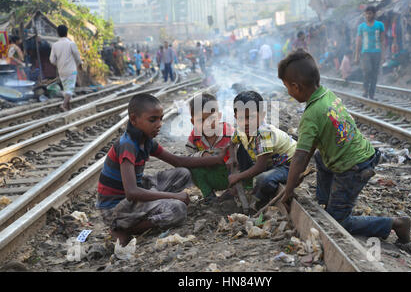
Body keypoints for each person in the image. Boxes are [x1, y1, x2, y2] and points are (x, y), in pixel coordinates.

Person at [277, 50, 411, 243]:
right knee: (320, 157)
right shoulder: (326, 95)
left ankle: (395, 224)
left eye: (286, 87)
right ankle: (325, 202)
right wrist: (295, 177)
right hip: (363, 154)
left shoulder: (311, 115)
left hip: (353, 168)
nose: (287, 91)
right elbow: (311, 147)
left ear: (296, 87)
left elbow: (298, 157)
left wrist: (288, 190)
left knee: (338, 221)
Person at [97, 93, 228, 247]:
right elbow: (131, 192)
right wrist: (175, 196)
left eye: (160, 118)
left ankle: (137, 216)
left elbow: (178, 161)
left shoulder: (146, 141)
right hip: (116, 206)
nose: (159, 124)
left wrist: (218, 159)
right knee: (177, 209)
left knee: (183, 173)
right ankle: (124, 227)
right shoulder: (127, 145)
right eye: (152, 120)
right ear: (133, 119)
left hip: (136, 191)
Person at [227, 91, 297, 210]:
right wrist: (232, 157)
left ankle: (258, 202)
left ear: (262, 115)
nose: (246, 122)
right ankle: (247, 185)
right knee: (242, 151)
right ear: (235, 117)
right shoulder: (241, 129)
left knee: (263, 179)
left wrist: (237, 177)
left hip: (289, 164)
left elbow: (260, 168)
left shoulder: (264, 133)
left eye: (251, 117)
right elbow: (232, 143)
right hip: (270, 161)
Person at [186, 93, 234, 203]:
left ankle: (232, 193)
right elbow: (189, 156)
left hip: (230, 175)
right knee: (191, 168)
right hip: (210, 175)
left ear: (219, 116)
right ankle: (209, 196)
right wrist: (202, 155)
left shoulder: (230, 133)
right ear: (193, 121)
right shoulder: (194, 137)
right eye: (200, 120)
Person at [50, 25, 83, 111]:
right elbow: (77, 57)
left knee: (66, 88)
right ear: (66, 33)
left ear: (58, 33)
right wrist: (79, 64)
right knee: (70, 88)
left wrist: (58, 64)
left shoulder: (55, 45)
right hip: (72, 71)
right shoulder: (71, 44)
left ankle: (68, 107)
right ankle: (64, 105)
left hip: (61, 70)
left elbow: (52, 60)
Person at [355, 6, 385, 99]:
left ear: (374, 14)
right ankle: (365, 89)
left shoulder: (380, 25)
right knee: (368, 70)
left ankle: (372, 93)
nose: (368, 15)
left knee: (375, 73)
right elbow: (359, 41)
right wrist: (357, 55)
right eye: (366, 13)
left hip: (377, 52)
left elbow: (382, 40)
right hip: (365, 52)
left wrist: (383, 55)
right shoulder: (361, 27)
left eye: (370, 13)